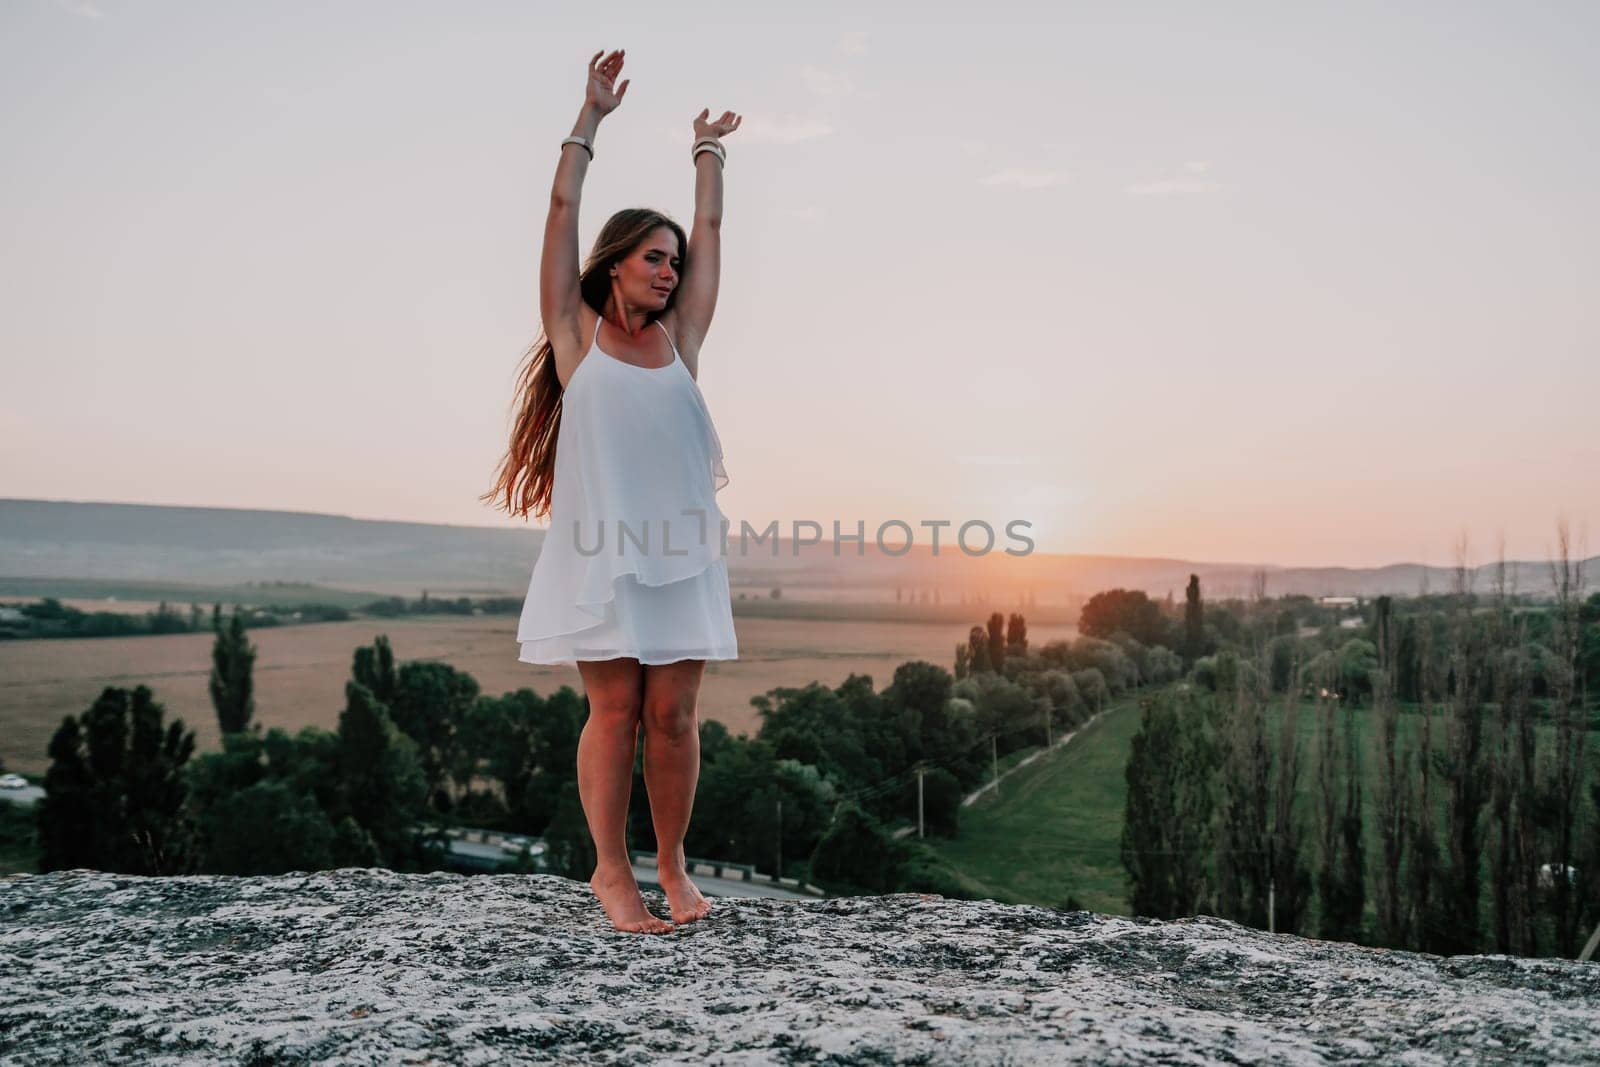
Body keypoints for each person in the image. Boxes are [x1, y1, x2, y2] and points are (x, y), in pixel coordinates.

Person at [481, 48, 742, 934]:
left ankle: (672, 866)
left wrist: (707, 153)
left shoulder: (683, 339)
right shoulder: (574, 331)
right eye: (652, 258)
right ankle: (610, 872)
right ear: (615, 264)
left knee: (674, 716)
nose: (669, 271)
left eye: (673, 261)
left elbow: (711, 240)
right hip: (601, 553)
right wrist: (588, 118)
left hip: (681, 550)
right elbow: (560, 209)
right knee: (617, 708)